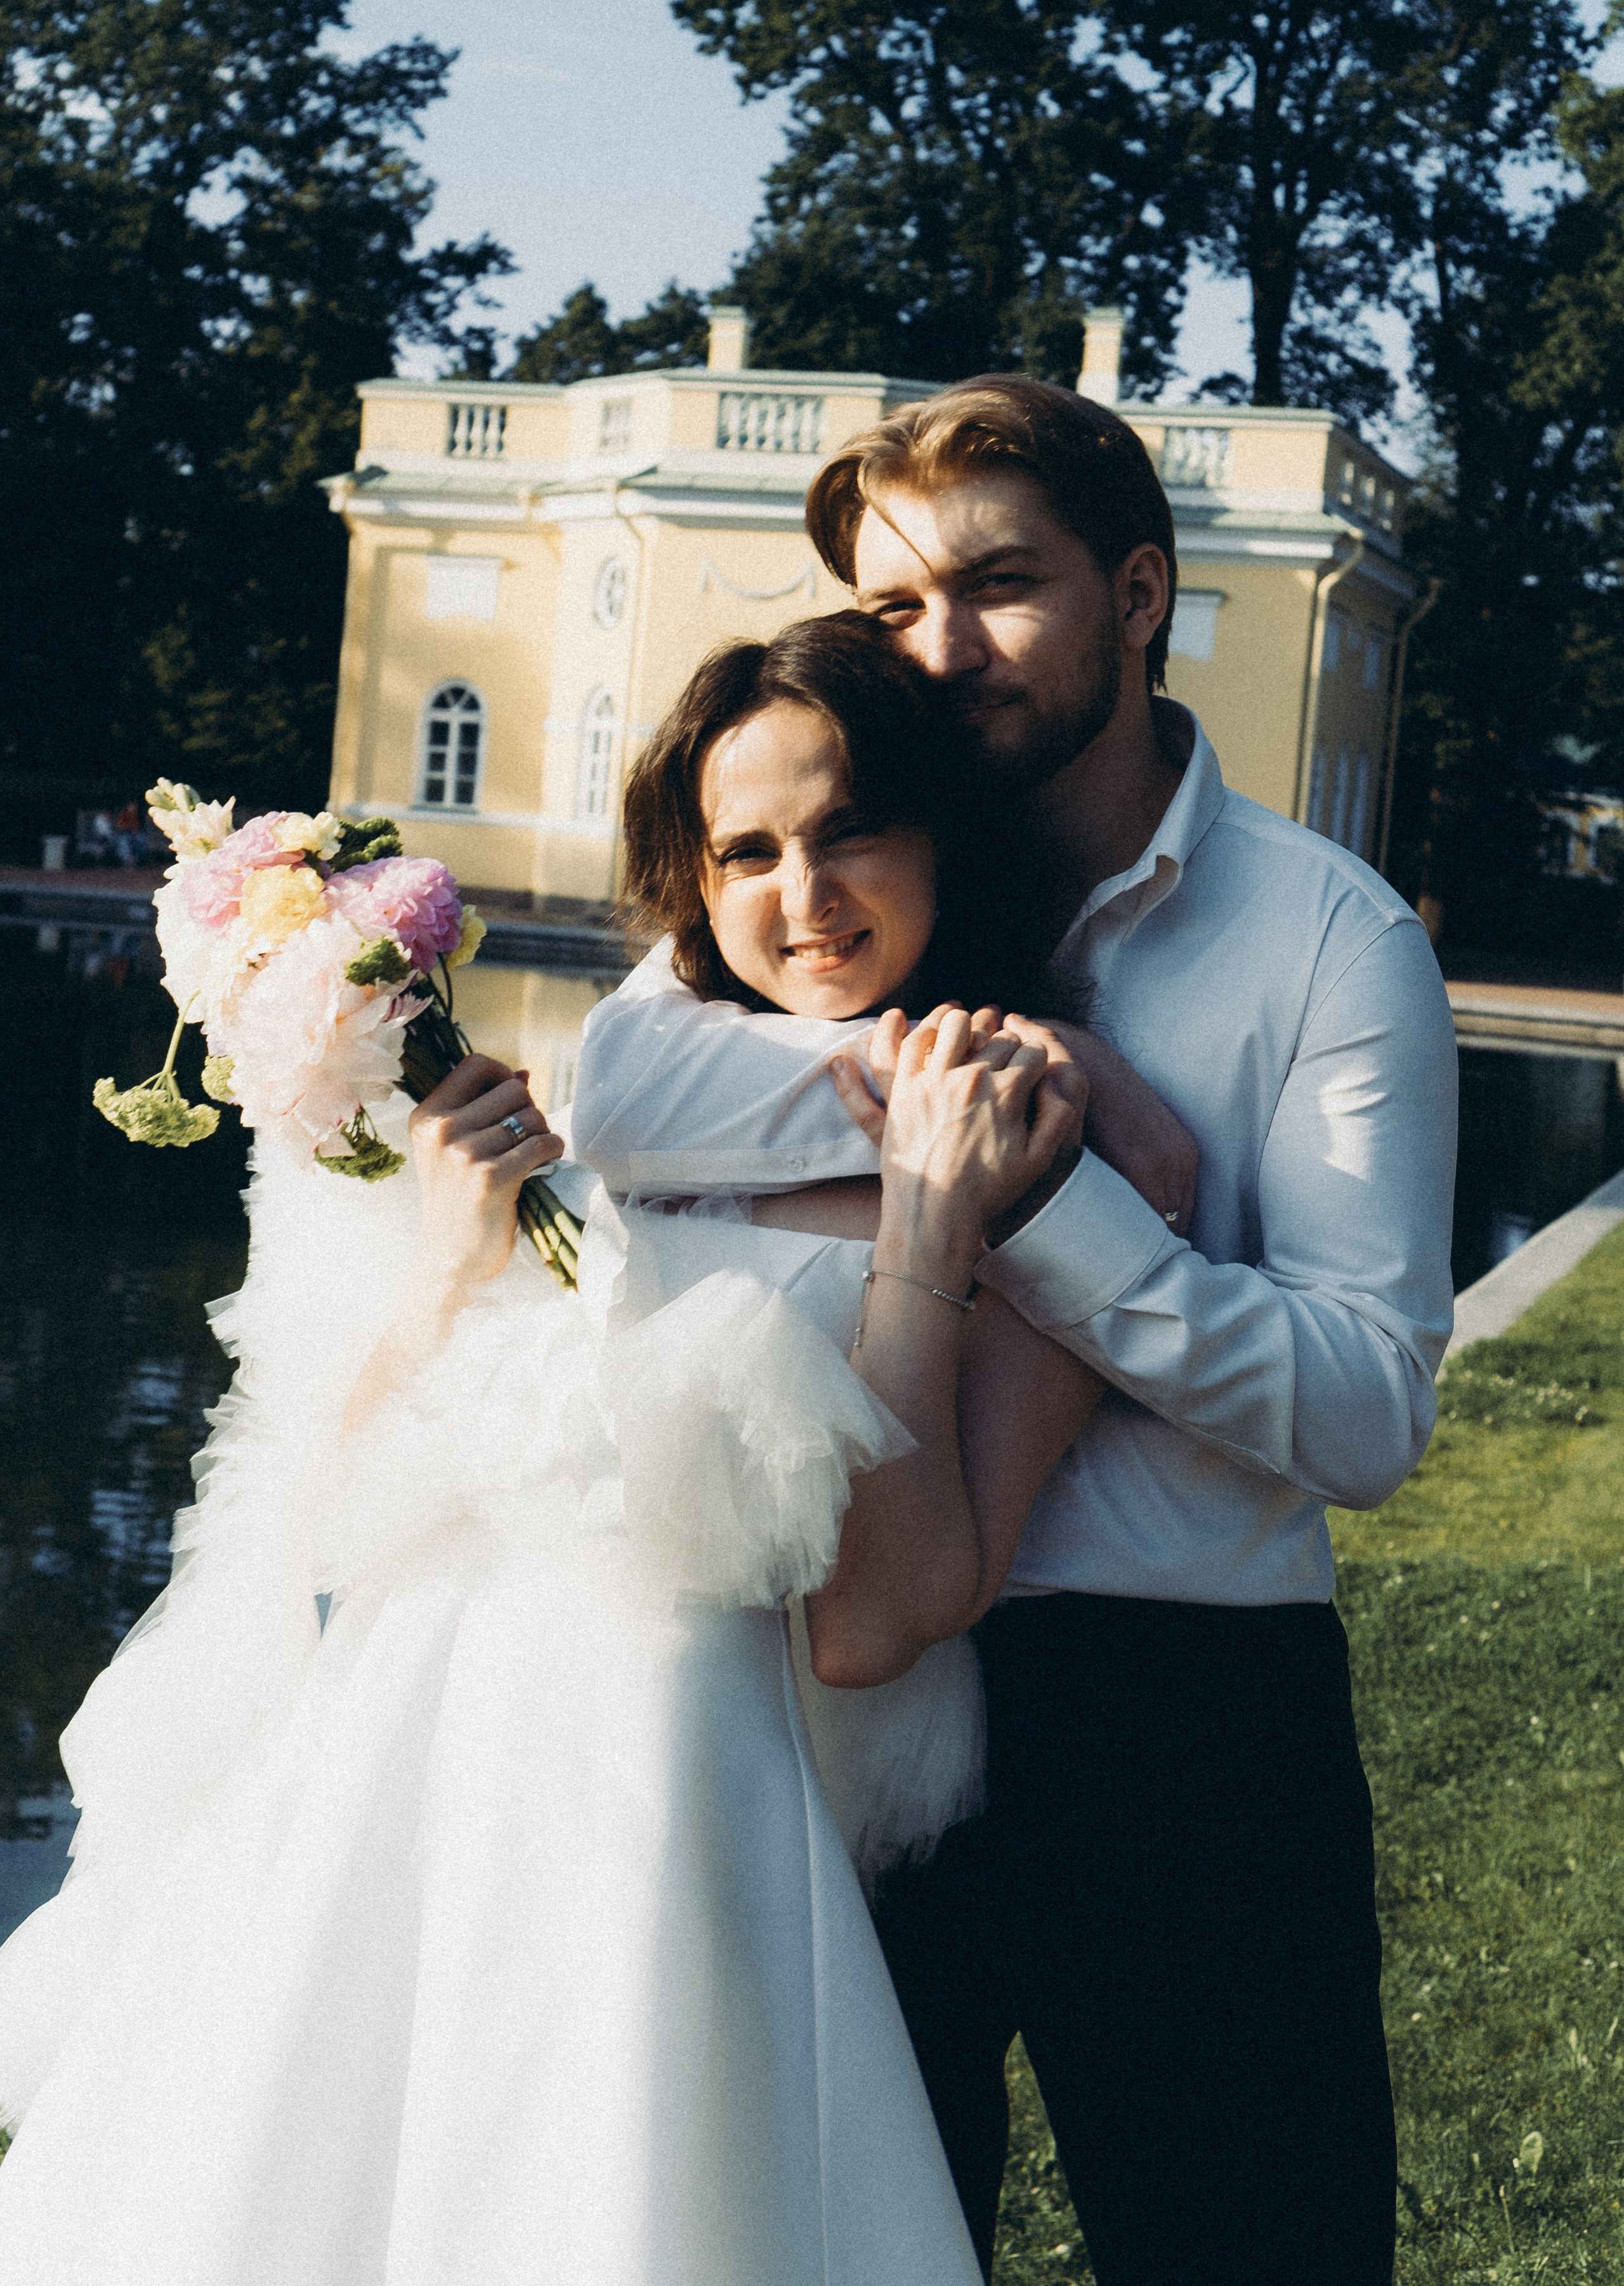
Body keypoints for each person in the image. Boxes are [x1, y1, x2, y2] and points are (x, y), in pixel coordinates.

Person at [0, 619, 1096, 2285]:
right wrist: (461, 1245)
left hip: (665, 1821)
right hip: (399, 1783)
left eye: (852, 826)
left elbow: (883, 1619)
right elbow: (355, 1511)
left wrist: (928, 1231)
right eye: (748, 849)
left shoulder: (1014, 1180)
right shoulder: (635, 1146)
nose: (804, 895)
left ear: (943, 835)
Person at [570, 374, 1460, 2286]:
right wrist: (1003, 1080)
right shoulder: (836, 851)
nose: (942, 649)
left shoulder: (1332, 940)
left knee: (1251, 2249)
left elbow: (1371, 1414)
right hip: (849, 1707)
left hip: (1183, 1718)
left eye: (1000, 587)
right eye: (896, 607)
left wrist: (1045, 1207)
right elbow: (625, 1100)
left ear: (1142, 595)